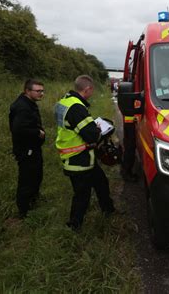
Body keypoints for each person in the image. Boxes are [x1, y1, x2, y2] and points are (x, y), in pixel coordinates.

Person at [55, 75, 115, 231]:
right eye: (92, 90)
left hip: (83, 157)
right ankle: (74, 226)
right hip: (78, 159)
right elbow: (91, 135)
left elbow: (76, 125)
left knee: (101, 182)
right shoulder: (76, 107)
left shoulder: (65, 101)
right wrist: (99, 130)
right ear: (88, 89)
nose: (92, 93)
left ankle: (108, 210)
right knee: (82, 195)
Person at [9, 79, 46, 218]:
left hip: (33, 148)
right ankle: (23, 211)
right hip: (26, 150)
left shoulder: (28, 103)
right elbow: (18, 129)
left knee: (36, 175)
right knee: (27, 179)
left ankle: (33, 200)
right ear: (27, 91)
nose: (41, 94)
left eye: (42, 91)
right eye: (38, 91)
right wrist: (38, 133)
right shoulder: (22, 107)